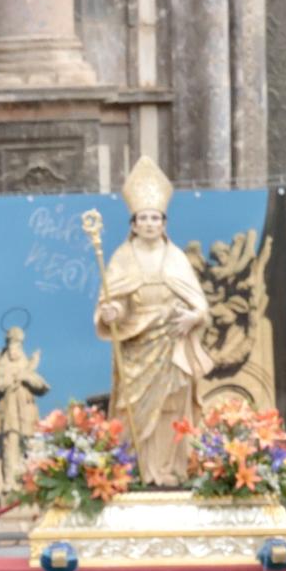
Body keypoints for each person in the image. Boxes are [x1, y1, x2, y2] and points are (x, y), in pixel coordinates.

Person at [95, 157, 211, 486]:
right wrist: (112, 312)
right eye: (143, 218)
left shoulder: (175, 257)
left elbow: (200, 304)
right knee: (132, 408)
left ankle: (172, 471)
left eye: (155, 218)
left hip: (171, 343)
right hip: (137, 345)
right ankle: (133, 471)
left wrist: (193, 317)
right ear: (133, 224)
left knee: (171, 408)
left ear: (164, 223)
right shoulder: (121, 256)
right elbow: (112, 299)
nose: (149, 223)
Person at [0, 326, 47, 493]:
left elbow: (41, 386)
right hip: (8, 412)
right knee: (10, 444)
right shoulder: (2, 367)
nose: (13, 350)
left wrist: (26, 378)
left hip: (26, 410)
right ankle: (11, 482)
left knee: (31, 444)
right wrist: (2, 385)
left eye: (16, 346)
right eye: (11, 346)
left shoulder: (26, 366)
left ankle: (31, 480)